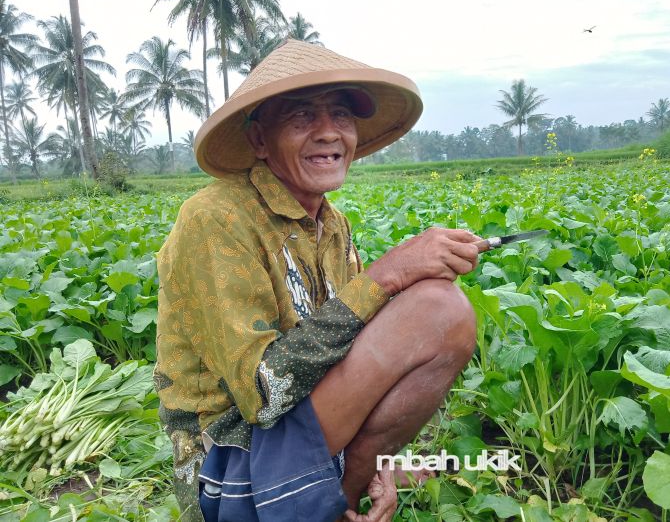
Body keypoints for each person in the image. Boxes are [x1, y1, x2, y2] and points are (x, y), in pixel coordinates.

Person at [155, 39, 480, 522]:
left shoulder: (333, 223)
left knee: (440, 312)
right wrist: (385, 275)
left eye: (342, 116)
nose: (330, 133)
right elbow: (262, 396)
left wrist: (379, 468)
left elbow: (353, 351)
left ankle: (345, 491)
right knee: (437, 310)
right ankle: (320, 500)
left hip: (307, 420)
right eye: (303, 117)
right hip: (227, 452)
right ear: (261, 140)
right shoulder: (215, 218)